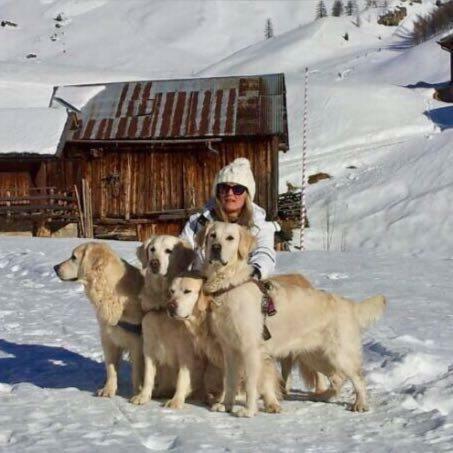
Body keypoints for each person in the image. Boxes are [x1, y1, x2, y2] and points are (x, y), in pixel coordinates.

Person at [180, 157, 276, 279]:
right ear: (217, 192)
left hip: (240, 283)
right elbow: (182, 250)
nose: (230, 193)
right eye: (224, 188)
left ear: (247, 194)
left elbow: (265, 253)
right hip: (200, 284)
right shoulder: (198, 222)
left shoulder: (259, 224)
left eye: (238, 189)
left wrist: (255, 272)